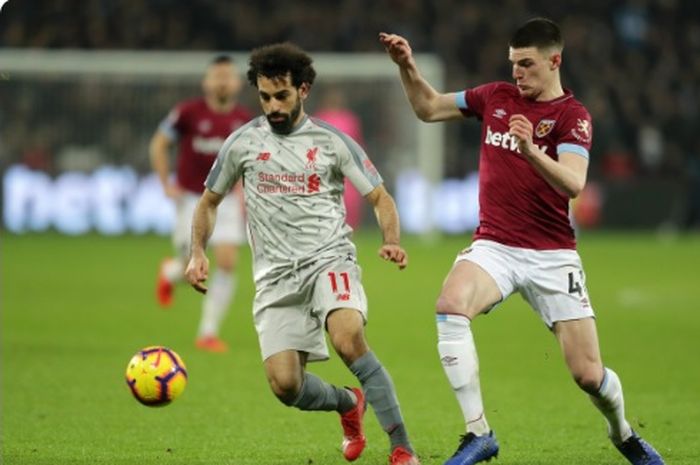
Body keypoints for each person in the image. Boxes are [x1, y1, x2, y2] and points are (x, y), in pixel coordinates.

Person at [381, 18, 665, 465]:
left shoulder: (573, 117)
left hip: (553, 255)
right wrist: (407, 68)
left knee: (588, 375)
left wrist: (532, 150)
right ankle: (479, 433)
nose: (517, 73)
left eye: (527, 64)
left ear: (555, 61)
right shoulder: (495, 96)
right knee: (450, 305)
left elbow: (573, 183)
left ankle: (624, 434)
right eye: (513, 64)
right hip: (495, 245)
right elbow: (429, 108)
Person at [184, 43, 420, 465]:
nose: (273, 106)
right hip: (275, 278)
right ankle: (348, 403)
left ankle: (402, 447)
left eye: (282, 96)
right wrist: (197, 251)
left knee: (349, 338)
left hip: (329, 259)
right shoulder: (242, 143)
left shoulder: (332, 141)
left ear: (304, 90)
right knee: (286, 387)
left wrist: (392, 239)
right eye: (265, 97)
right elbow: (208, 202)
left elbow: (381, 196)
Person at [149, 55, 253, 352]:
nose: (222, 80)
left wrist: (246, 191)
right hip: (192, 198)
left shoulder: (244, 120)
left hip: (227, 199)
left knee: (227, 261)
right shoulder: (187, 113)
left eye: (227, 76)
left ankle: (207, 332)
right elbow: (158, 143)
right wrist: (164, 182)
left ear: (236, 83)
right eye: (216, 75)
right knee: (190, 265)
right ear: (206, 82)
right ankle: (169, 272)